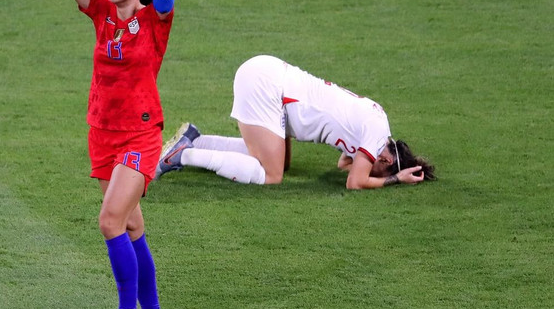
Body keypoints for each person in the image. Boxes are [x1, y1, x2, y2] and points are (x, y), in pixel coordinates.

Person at [55, 0, 175, 309]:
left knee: (109, 221)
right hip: (101, 131)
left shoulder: (155, 20)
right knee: (129, 224)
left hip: (141, 133)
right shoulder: (101, 12)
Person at [157, 55, 435, 189]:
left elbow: (344, 164)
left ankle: (196, 139)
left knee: (280, 163)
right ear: (386, 161)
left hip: (273, 78)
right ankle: (184, 155)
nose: (374, 173)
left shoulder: (377, 124)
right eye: (381, 171)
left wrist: (372, 167)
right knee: (272, 175)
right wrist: (395, 180)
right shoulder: (376, 138)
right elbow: (355, 182)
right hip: (268, 87)